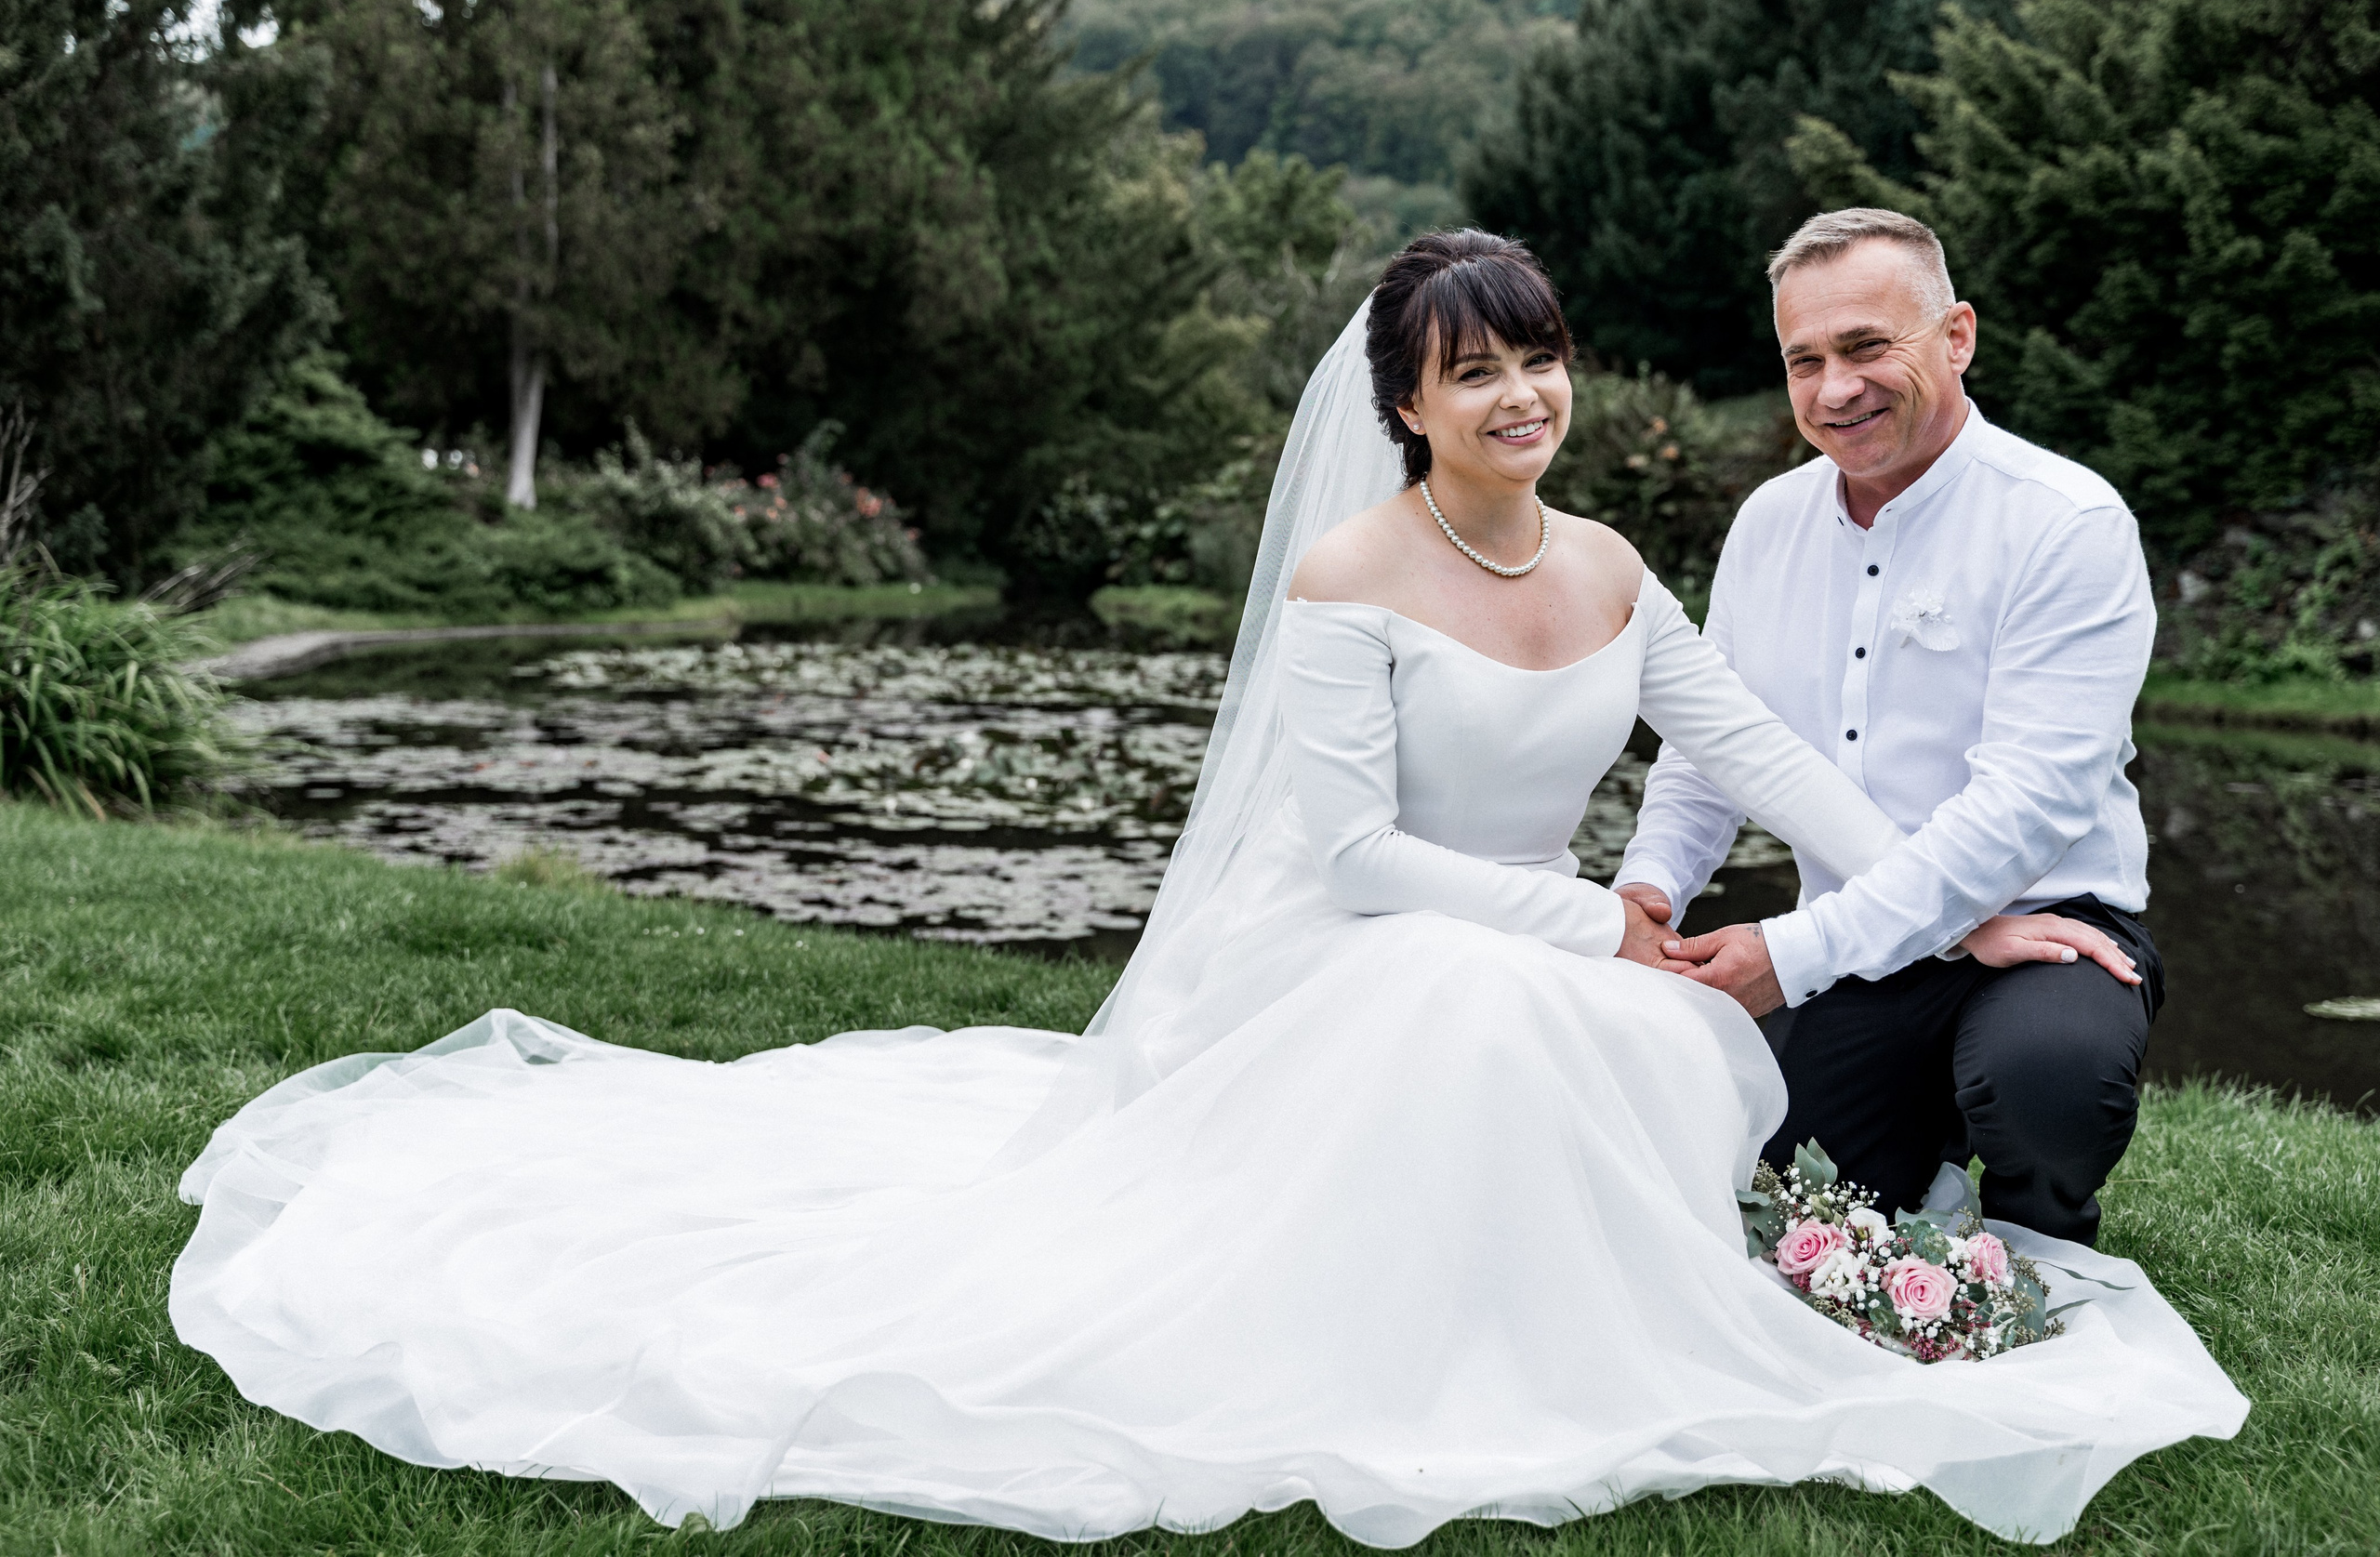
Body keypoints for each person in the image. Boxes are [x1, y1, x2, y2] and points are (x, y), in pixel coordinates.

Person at [169, 231, 2242, 1547]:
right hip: (1384, 942)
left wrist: (1914, 910)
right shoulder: (1351, 580)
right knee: (1534, 1021)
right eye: (1473, 371)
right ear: (1405, 405)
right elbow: (1344, 853)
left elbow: (1761, 761)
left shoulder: (1618, 563)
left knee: (1661, 1052)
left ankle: (1850, 1235)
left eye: (1543, 359)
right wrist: (1595, 919)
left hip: (1620, 939)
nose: (1520, 395)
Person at [1617, 207, 2162, 1247]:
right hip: (1856, 955)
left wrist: (1788, 950)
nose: (1834, 389)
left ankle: (2041, 1227)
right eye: (1803, 359)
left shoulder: (2067, 523)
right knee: (1770, 1189)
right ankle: (1917, 1168)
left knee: (2044, 1075)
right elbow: (1707, 752)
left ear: (1955, 336)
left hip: (2047, 927)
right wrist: (1646, 892)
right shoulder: (1767, 525)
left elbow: (2022, 810)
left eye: (1867, 346)